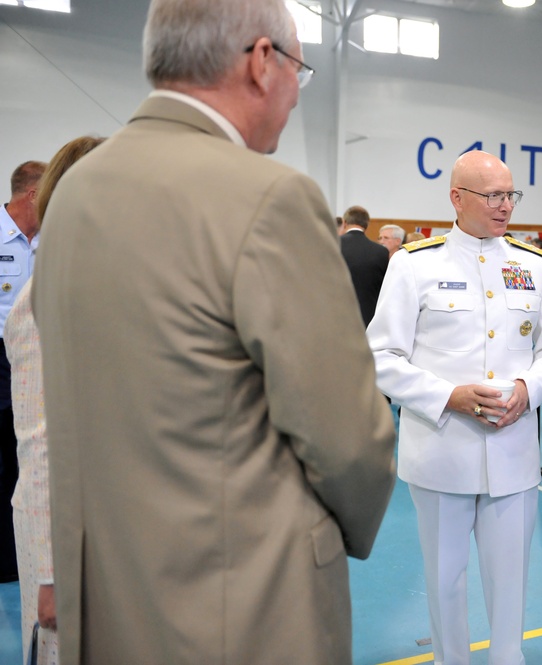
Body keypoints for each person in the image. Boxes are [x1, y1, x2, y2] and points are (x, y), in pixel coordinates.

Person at [30, 1, 397, 662]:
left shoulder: (75, 192)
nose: (293, 94)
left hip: (112, 602)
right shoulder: (268, 197)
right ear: (261, 62)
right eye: (298, 70)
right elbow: (347, 440)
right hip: (241, 605)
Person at [367, 150, 542, 665]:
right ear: (457, 198)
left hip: (513, 451)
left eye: (511, 195)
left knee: (510, 582)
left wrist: (529, 387)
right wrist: (447, 396)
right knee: (443, 580)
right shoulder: (414, 265)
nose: (506, 206)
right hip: (442, 453)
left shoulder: (533, 264)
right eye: (493, 196)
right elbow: (378, 355)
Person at [6, 136, 103, 665]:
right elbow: (41, 445)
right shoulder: (46, 296)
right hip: (66, 540)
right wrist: (51, 574)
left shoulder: (107, 282)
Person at [0, 159, 46, 584]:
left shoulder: (50, 240)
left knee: (27, 458)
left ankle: (20, 560)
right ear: (32, 194)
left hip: (37, 359)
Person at [341, 205, 389, 326]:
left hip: (336, 315)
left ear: (345, 222)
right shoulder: (380, 252)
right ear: (366, 224)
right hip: (369, 317)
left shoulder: (332, 245)